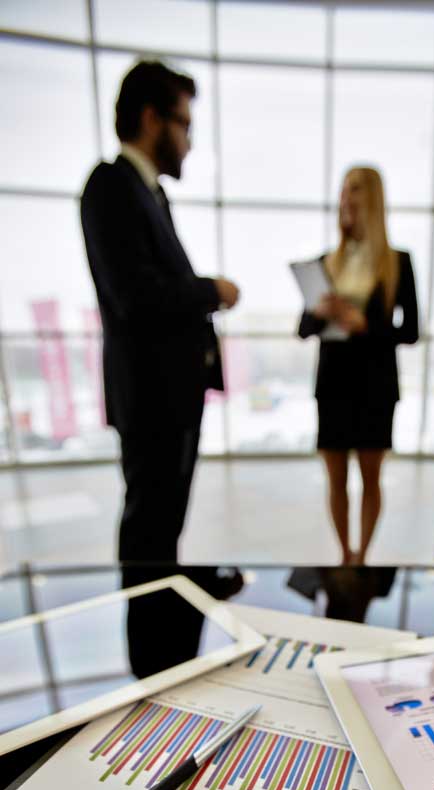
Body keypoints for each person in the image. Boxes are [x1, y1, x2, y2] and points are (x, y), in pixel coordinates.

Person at [81, 61, 239, 562]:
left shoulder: (148, 192)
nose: (189, 141)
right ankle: (155, 629)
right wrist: (210, 289)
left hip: (169, 394)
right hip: (150, 395)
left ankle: (169, 623)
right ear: (152, 119)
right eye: (184, 125)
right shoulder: (111, 186)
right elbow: (138, 297)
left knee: (163, 524)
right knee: (149, 525)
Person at [298, 166, 419, 565]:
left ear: (373, 199)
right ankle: (343, 554)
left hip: (375, 385)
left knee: (370, 478)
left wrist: (365, 325)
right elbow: (303, 327)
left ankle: (362, 556)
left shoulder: (398, 262)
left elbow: (411, 331)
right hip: (332, 381)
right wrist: (320, 313)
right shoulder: (325, 262)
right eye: (343, 191)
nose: (346, 199)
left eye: (354, 191)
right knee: (335, 479)